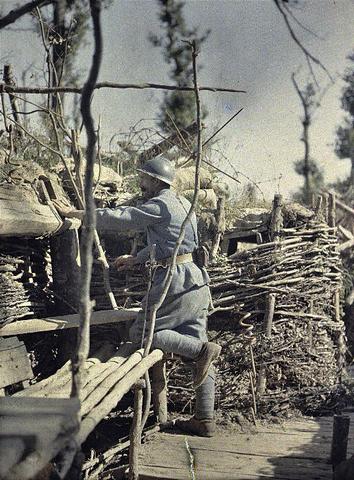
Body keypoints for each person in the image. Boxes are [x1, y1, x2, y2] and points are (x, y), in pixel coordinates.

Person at [54, 156, 221, 437]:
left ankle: (202, 351)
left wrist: (80, 214)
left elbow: (123, 217)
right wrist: (136, 258)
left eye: (143, 178)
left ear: (155, 181)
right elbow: (172, 245)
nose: (141, 183)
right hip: (196, 281)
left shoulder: (159, 204)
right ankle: (206, 419)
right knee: (198, 345)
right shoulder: (182, 204)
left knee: (144, 335)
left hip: (174, 283)